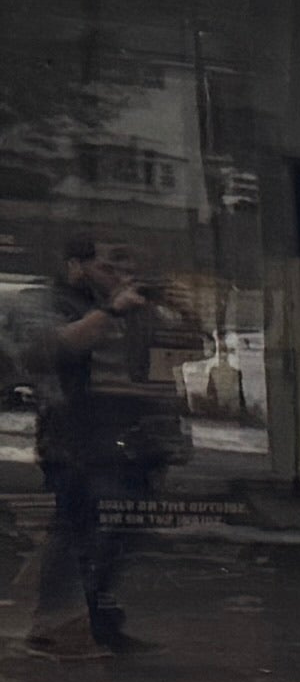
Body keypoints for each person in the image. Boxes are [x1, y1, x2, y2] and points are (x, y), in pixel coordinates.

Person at [27, 236, 202, 660]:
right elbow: (57, 346)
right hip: (77, 439)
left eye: (129, 267)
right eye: (110, 266)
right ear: (78, 267)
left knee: (121, 531)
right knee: (77, 529)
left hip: (134, 439)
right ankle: (52, 628)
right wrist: (111, 311)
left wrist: (185, 312)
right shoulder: (57, 300)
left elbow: (189, 353)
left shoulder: (140, 309)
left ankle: (100, 623)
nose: (121, 276)